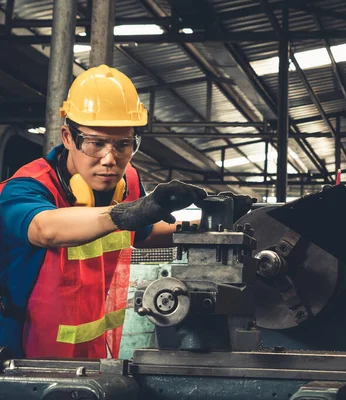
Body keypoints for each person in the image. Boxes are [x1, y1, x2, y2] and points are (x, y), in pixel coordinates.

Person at [0, 65, 208, 359]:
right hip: (20, 359)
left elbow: (143, 234)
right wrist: (121, 215)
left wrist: (212, 229)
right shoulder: (25, 189)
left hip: (92, 355)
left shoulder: (127, 183)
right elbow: (45, 229)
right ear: (68, 137)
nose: (110, 160)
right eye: (96, 144)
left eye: (124, 145)